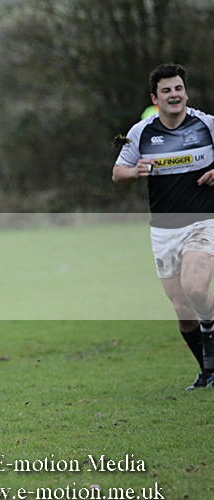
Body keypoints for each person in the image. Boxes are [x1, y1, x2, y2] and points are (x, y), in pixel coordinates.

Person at [112, 63, 214, 390]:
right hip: (164, 229)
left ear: (186, 92)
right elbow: (118, 173)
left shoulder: (207, 125)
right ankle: (207, 371)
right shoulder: (141, 132)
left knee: (196, 287)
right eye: (167, 90)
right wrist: (135, 171)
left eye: (179, 89)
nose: (174, 95)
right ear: (155, 98)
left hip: (203, 221)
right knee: (183, 309)